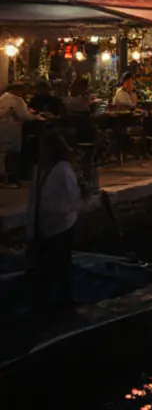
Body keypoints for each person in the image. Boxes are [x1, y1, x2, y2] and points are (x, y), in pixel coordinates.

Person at [24, 132, 82, 316]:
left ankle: (42, 307)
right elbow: (73, 198)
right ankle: (67, 307)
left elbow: (33, 201)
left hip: (42, 226)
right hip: (61, 225)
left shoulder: (39, 168)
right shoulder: (64, 169)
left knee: (44, 270)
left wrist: (30, 231)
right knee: (62, 267)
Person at [0, 84, 39, 188]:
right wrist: (36, 117)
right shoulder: (17, 100)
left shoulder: (4, 97)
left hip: (3, 128)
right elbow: (24, 115)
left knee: (3, 153)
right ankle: (10, 179)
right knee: (12, 154)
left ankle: (3, 178)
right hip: (12, 129)